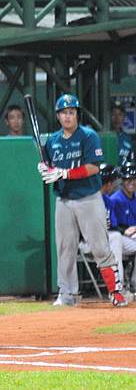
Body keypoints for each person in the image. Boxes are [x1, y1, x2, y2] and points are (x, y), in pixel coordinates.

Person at [38, 94, 127, 307]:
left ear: (77, 114)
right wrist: (44, 169)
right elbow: (51, 167)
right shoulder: (53, 141)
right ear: (58, 116)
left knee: (100, 247)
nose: (68, 116)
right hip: (64, 200)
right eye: (64, 113)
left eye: (72, 112)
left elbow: (94, 167)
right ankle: (67, 294)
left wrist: (64, 173)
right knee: (65, 248)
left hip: (88, 198)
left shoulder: (88, 136)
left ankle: (116, 292)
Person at [109, 162, 136, 291]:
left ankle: (133, 284)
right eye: (128, 179)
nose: (131, 182)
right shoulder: (115, 199)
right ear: (122, 180)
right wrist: (124, 230)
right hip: (118, 238)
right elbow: (111, 224)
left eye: (134, 179)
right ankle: (126, 286)